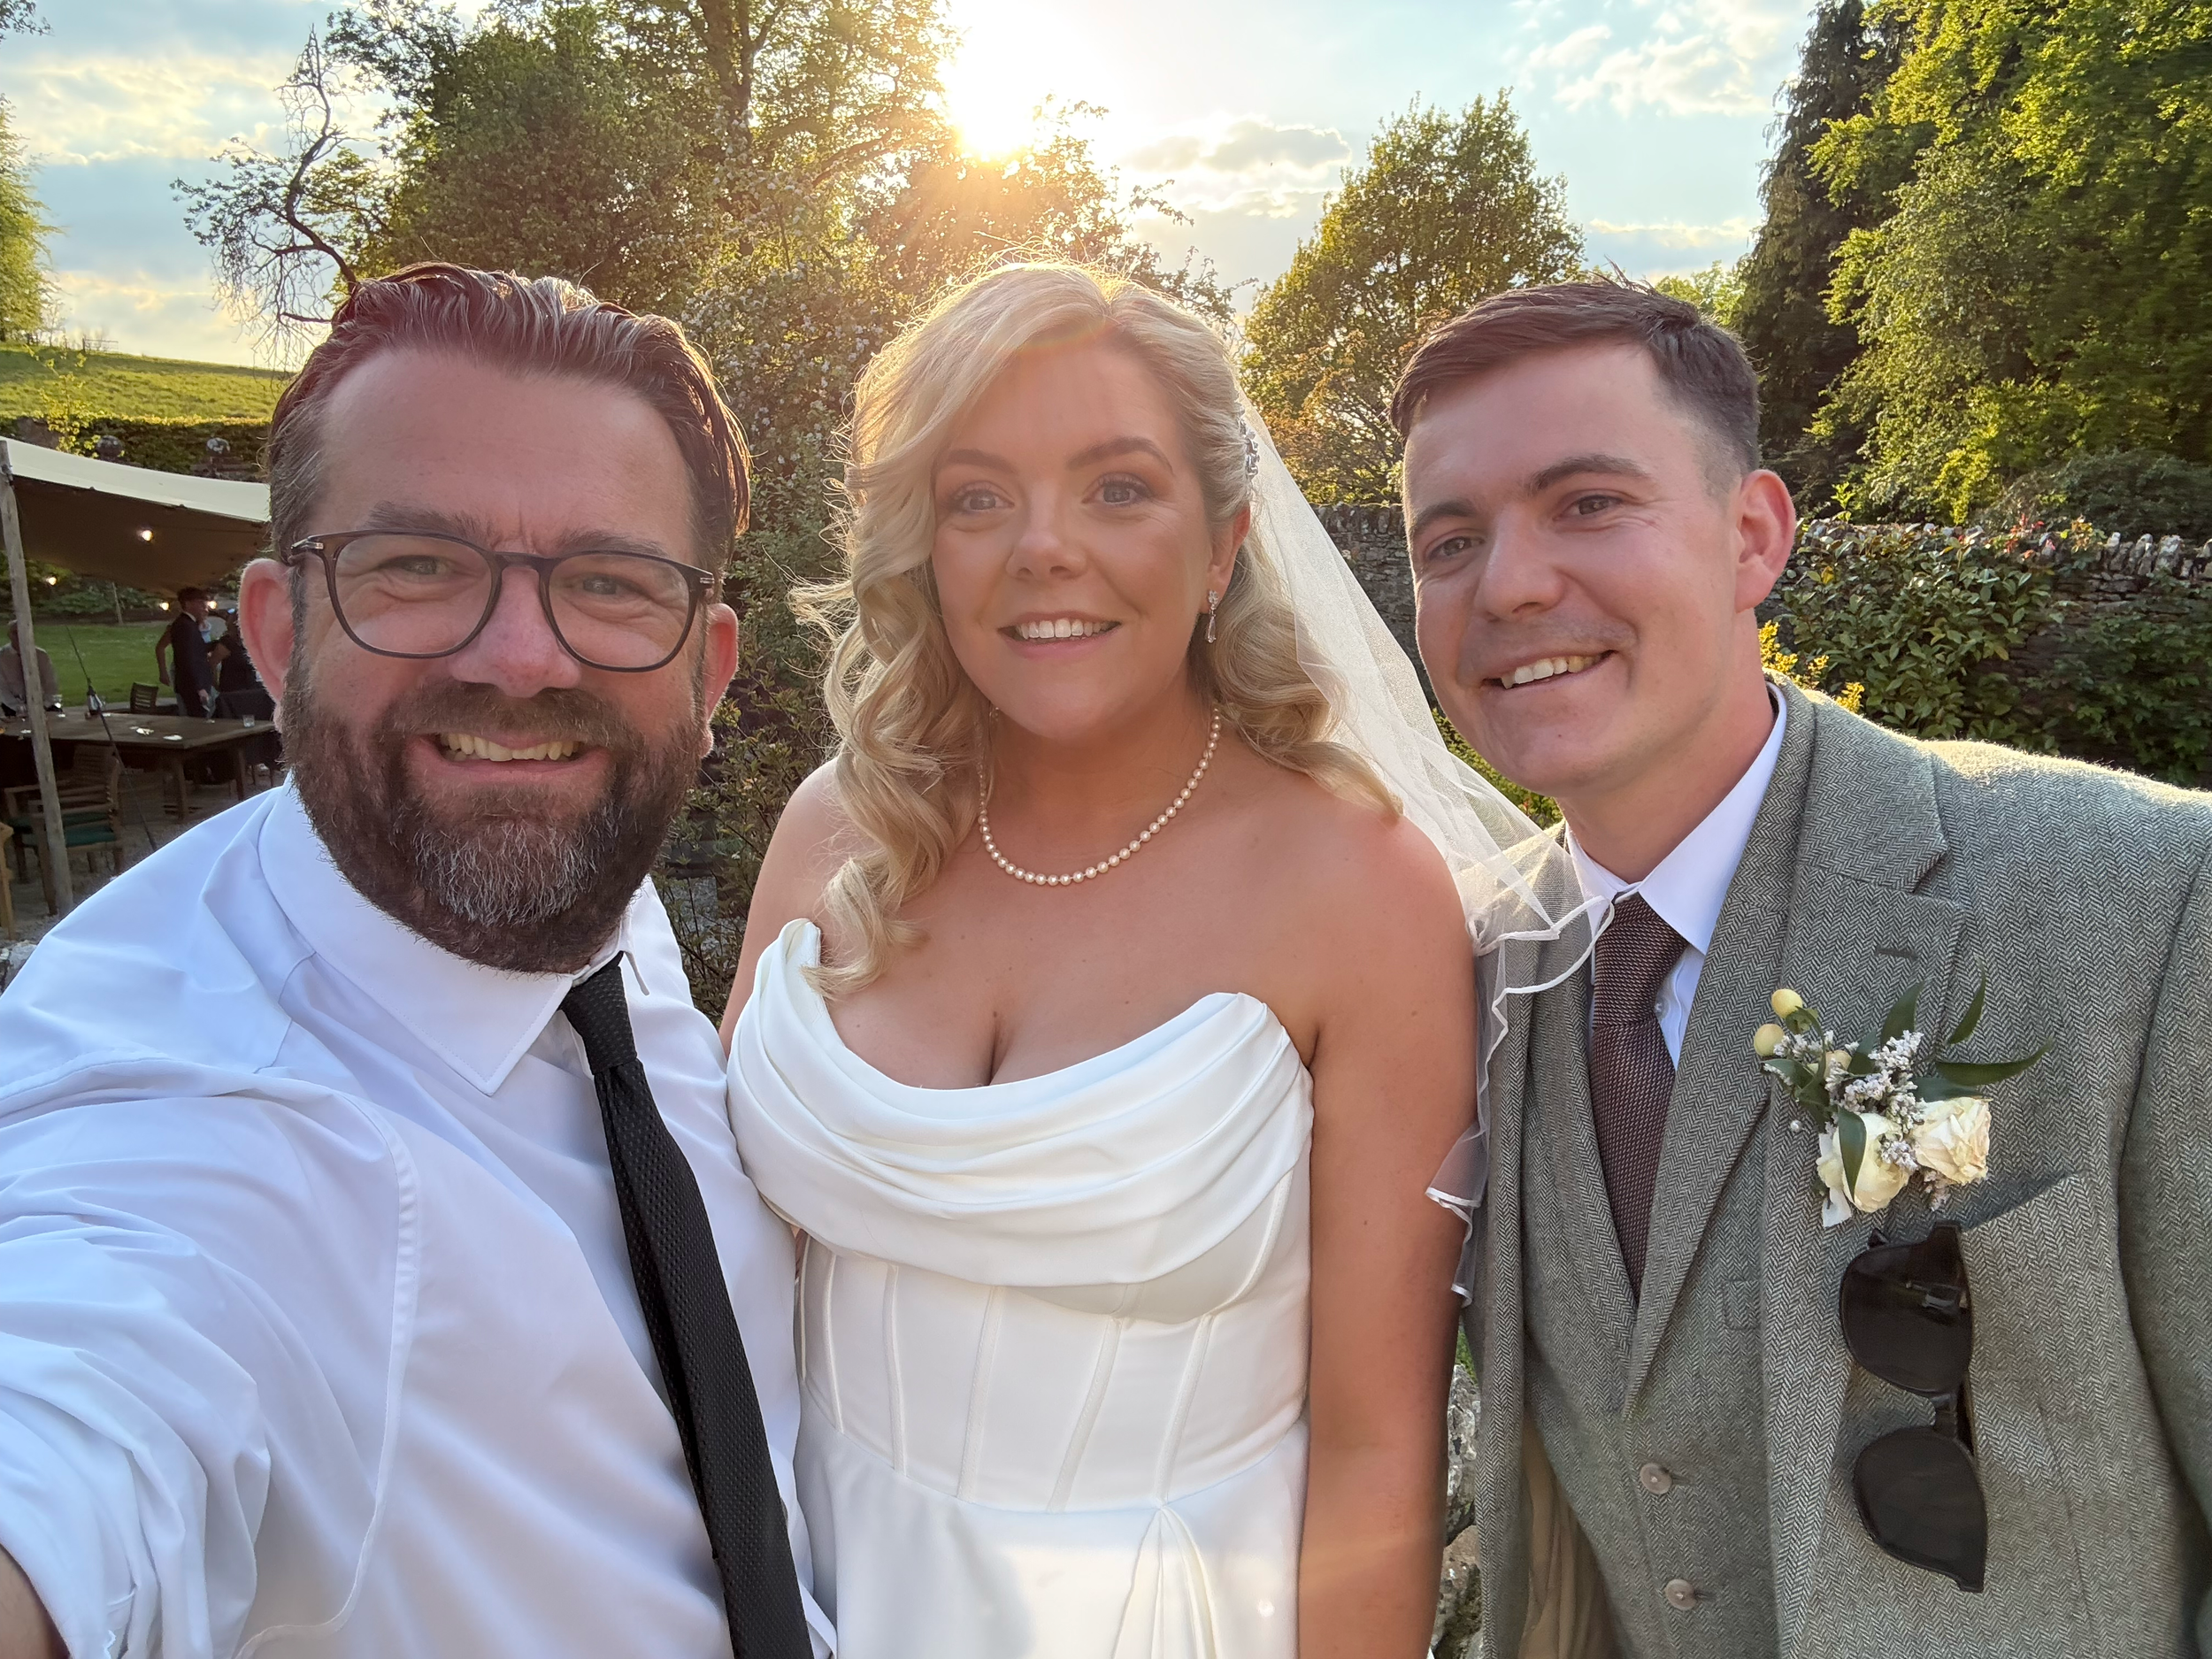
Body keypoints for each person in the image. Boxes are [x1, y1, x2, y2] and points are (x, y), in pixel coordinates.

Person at [720, 262, 1569, 1657]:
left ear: (1226, 539)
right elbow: (726, 1272)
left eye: (1119, 487)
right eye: (977, 495)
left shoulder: (1356, 889)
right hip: (804, 1586)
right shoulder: (838, 827)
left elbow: (1373, 1449)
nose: (1042, 547)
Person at [0, 265, 830, 1659]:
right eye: (418, 567)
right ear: (278, 632)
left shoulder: (567, 877)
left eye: (611, 582)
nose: (521, 659)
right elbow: (89, 1393)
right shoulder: (193, 1125)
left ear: (707, 667)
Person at [1397, 280, 2212, 1658]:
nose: (1512, 582)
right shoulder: (1445, 965)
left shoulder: (2143, 900)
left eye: (1589, 503)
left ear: (1752, 535)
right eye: (1450, 539)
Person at [155, 585, 216, 716]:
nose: (204, 607)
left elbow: (197, 649)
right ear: (188, 604)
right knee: (198, 720)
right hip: (193, 687)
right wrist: (199, 687)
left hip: (193, 684)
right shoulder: (185, 626)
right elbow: (188, 659)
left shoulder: (189, 624)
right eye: (200, 603)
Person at [0, 618, 58, 716]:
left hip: (42, 704)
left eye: (23, 632)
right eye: (15, 633)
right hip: (12, 705)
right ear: (9, 635)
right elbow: (2, 688)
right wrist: (19, 708)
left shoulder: (41, 655)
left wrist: (44, 704)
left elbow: (50, 683)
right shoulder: (2, 657)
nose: (19, 636)